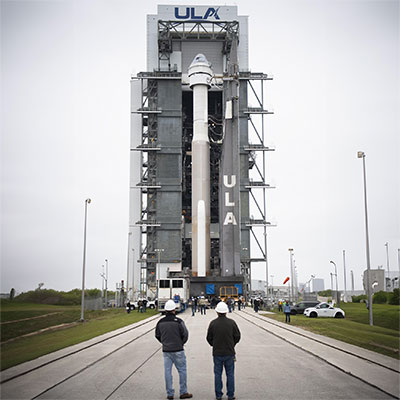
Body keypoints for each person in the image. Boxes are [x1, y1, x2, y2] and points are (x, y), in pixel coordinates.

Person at [155, 299, 193, 400]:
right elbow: (185, 334)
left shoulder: (160, 322)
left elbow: (157, 335)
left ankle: (170, 393)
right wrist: (181, 343)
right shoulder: (179, 321)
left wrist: (164, 342)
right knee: (182, 371)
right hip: (178, 349)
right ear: (174, 310)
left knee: (167, 372)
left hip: (166, 351)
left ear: (165, 310)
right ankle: (183, 392)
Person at [207, 301, 241, 400]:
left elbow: (209, 338)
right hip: (229, 352)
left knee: (217, 374)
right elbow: (237, 336)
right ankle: (230, 395)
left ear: (217, 312)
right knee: (230, 374)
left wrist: (214, 345)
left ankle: (218, 395)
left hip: (217, 353)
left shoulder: (213, 323)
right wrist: (232, 344)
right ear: (226, 311)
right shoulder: (232, 322)